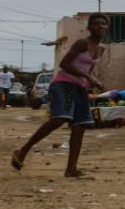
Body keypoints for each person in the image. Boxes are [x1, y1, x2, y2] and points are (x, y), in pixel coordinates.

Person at [12, 12, 108, 177]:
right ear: (89, 27)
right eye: (96, 24)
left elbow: (89, 69)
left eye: (103, 24)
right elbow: (65, 64)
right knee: (58, 119)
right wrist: (87, 77)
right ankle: (22, 151)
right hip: (63, 84)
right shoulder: (82, 44)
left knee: (80, 126)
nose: (100, 26)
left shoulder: (101, 49)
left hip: (79, 88)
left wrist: (93, 82)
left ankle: (71, 169)